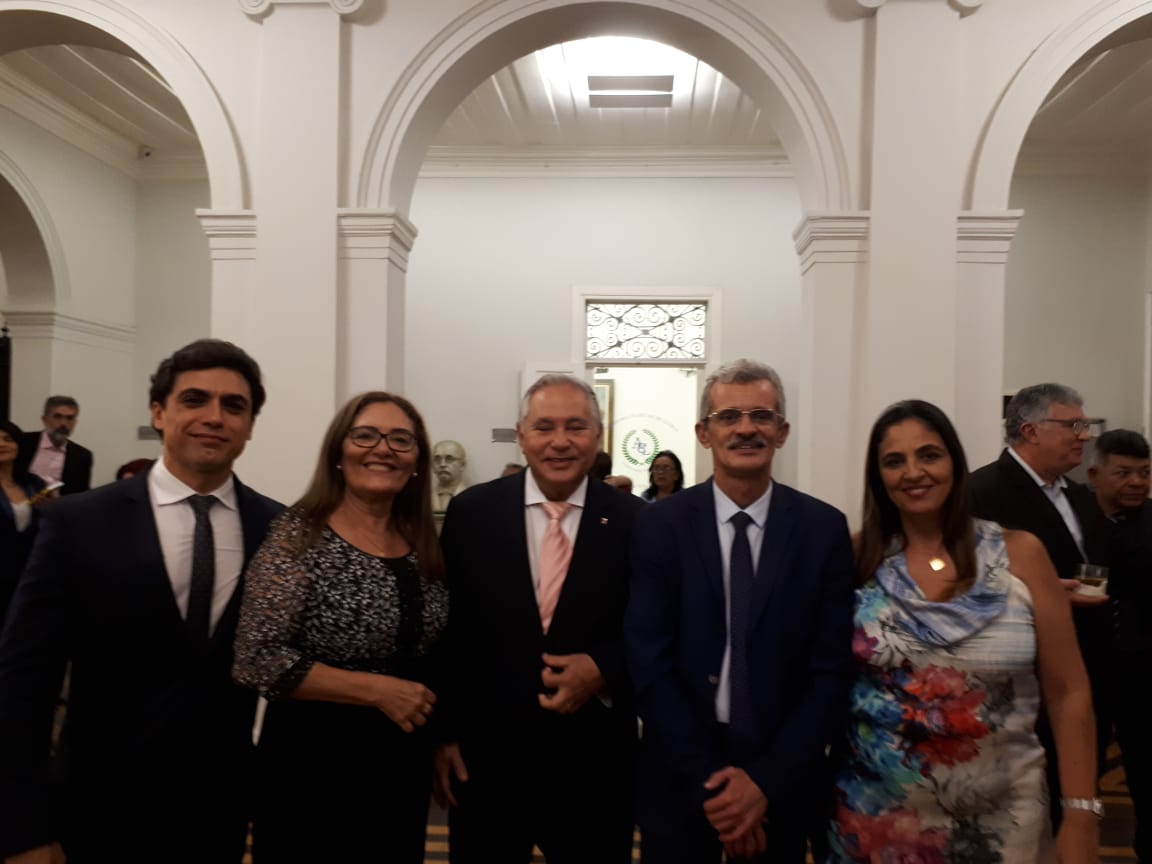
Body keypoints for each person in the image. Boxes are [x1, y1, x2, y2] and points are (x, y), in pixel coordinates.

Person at [0, 339, 282, 864]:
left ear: (249, 425)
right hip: (96, 807)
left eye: (234, 406)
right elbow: (23, 682)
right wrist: (23, 827)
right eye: (194, 399)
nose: (214, 417)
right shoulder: (78, 522)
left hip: (217, 811)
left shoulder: (277, 529)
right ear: (158, 413)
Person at [828, 399, 1099, 863]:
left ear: (954, 461)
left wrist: (1081, 813)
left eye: (929, 455)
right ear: (879, 477)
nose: (913, 472)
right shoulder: (858, 558)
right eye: (894, 461)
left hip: (1004, 823)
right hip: (877, 823)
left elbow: (1068, 691)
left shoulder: (1022, 555)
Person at [625, 358, 855, 863]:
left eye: (761, 416)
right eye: (729, 417)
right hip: (680, 777)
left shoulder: (822, 530)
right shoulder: (659, 526)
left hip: (783, 781)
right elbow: (648, 662)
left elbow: (831, 671)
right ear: (703, 434)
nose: (746, 428)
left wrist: (764, 783)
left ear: (782, 432)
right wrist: (715, 786)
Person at [433, 373, 644, 864]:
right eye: (544, 427)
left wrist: (605, 667)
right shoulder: (472, 512)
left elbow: (654, 624)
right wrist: (443, 734)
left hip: (594, 764)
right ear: (522, 435)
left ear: (598, 435)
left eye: (576, 426)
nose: (560, 441)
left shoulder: (638, 520)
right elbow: (449, 629)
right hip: (487, 760)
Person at [232, 391, 449, 863]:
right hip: (314, 765)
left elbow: (433, 654)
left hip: (400, 763)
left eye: (401, 440)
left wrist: (439, 738)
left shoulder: (422, 541)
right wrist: (377, 691)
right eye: (366, 435)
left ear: (416, 462)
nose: (383, 449)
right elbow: (256, 658)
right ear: (338, 452)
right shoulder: (298, 534)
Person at [970, 383, 1113, 828]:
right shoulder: (980, 492)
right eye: (1073, 425)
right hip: (1022, 684)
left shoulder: (1079, 495)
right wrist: (1042, 594)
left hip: (1088, 670)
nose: (1084, 435)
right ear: (1031, 431)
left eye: (1084, 425)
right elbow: (959, 583)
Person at [1087, 428, 1152, 861]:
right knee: (1078, 772)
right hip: (1084, 672)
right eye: (1124, 473)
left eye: (1144, 473)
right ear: (1095, 474)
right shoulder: (1074, 520)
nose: (1137, 482)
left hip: (1145, 676)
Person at [0, 419, 51, 625]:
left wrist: (48, 508)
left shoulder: (33, 483)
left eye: (8, 439)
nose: (2, 444)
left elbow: (46, 527)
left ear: (18, 445)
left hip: (27, 571)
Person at [14, 395, 93, 494]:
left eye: (70, 418)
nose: (63, 423)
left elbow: (81, 495)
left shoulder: (82, 456)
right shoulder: (22, 442)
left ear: (75, 422)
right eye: (57, 417)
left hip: (60, 504)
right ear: (44, 419)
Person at [432, 439, 468, 511]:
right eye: (437, 459)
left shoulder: (471, 497)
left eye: (449, 459)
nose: (442, 464)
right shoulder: (422, 497)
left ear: (462, 465)